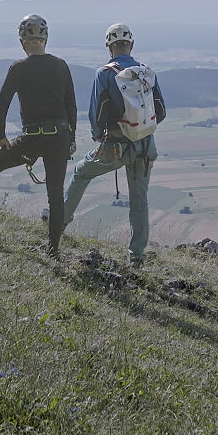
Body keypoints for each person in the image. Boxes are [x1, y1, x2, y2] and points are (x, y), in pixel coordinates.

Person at [0, 14, 77, 259]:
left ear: (22, 42)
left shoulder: (18, 68)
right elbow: (71, 106)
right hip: (60, 137)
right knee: (56, 194)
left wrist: (0, 136)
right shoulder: (61, 65)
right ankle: (53, 250)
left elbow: (2, 104)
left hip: (32, 139)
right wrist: (71, 139)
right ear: (45, 38)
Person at [62, 23, 165, 267]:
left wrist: (99, 137)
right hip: (145, 145)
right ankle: (137, 256)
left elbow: (96, 112)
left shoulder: (104, 74)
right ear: (131, 44)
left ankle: (60, 222)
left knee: (80, 173)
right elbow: (160, 112)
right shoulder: (146, 72)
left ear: (109, 47)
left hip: (115, 146)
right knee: (139, 201)